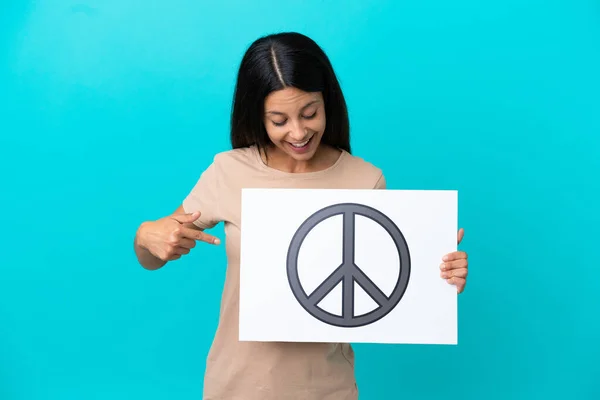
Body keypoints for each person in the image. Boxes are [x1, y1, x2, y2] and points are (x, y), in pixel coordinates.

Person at [133, 32, 469, 400]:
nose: (298, 132)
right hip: (236, 387)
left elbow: (381, 287)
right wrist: (146, 236)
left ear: (328, 101)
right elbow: (154, 255)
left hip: (327, 388)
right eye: (279, 121)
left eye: (310, 113)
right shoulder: (228, 172)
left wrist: (435, 274)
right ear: (257, 116)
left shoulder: (365, 180)